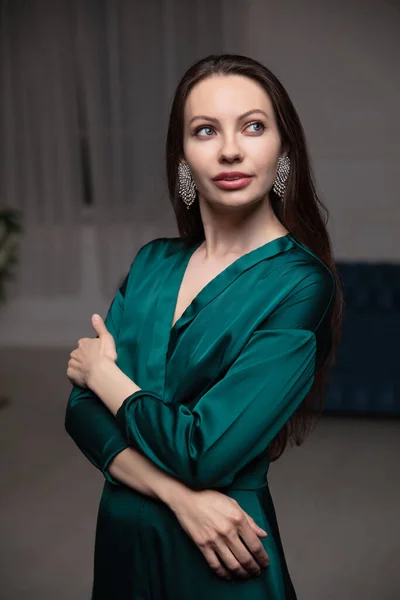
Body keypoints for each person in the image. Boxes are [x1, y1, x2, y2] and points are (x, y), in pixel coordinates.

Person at [65, 53, 343, 600]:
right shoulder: (152, 263)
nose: (230, 149)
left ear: (283, 151)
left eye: (254, 126)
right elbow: (80, 416)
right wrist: (181, 499)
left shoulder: (300, 284)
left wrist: (105, 377)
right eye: (205, 130)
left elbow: (204, 451)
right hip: (127, 542)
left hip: (224, 555)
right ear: (184, 158)